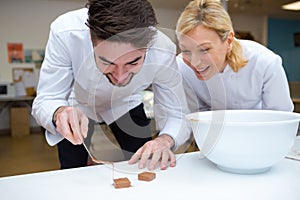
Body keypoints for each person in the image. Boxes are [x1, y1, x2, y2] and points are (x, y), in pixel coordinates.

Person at [32, 0, 190, 171]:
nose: (120, 77)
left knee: (144, 163)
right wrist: (58, 112)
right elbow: (46, 99)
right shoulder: (65, 32)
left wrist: (165, 140)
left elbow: (178, 114)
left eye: (133, 62)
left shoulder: (163, 50)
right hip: (77, 104)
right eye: (107, 62)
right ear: (90, 38)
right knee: (72, 168)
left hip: (126, 102)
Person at [175, 0, 294, 112]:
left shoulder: (264, 62)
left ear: (229, 41)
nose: (194, 63)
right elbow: (192, 117)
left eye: (205, 50)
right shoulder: (182, 67)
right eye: (186, 51)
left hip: (260, 131)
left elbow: (281, 118)